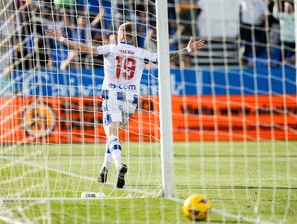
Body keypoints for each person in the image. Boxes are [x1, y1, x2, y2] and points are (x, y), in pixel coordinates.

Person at [45, 22, 205, 188]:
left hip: (112, 97)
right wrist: (187, 50)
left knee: (111, 134)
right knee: (112, 135)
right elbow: (164, 57)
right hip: (131, 102)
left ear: (121, 34)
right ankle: (104, 169)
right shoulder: (141, 53)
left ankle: (119, 165)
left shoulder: (111, 49)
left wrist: (62, 38)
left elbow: (83, 48)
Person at [273, 0, 295, 64]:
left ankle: (290, 60)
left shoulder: (296, 15)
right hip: (284, 39)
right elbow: (275, 14)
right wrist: (276, 4)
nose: (286, 8)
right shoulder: (283, 15)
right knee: (281, 55)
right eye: (285, 6)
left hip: (294, 39)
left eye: (288, 6)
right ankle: (281, 62)